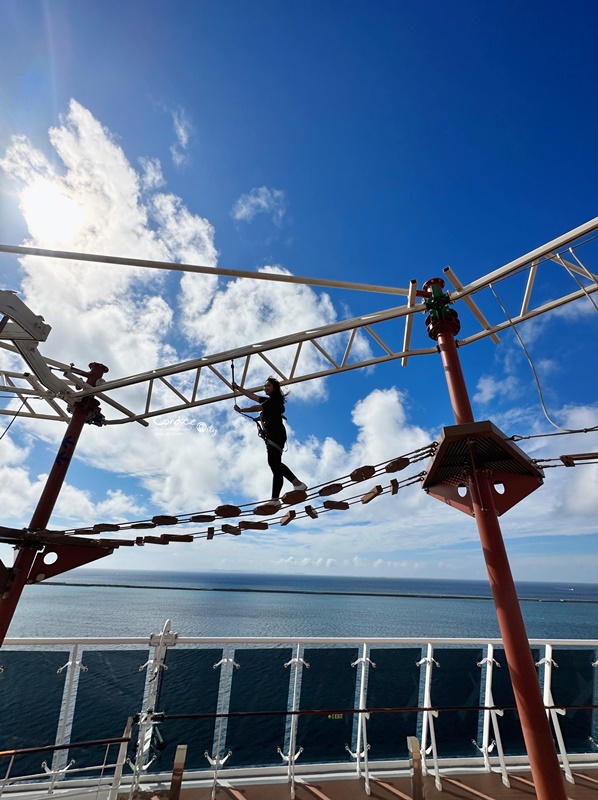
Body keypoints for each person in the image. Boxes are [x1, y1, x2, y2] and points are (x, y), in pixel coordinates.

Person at [233, 377, 307, 506]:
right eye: (264, 386)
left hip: (276, 434)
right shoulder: (269, 401)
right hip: (273, 435)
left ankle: (287, 490)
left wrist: (242, 410)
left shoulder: (274, 401)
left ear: (274, 388)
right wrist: (238, 388)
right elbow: (251, 395)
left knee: (274, 463)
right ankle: (288, 489)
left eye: (268, 386)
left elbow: (257, 407)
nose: (265, 388)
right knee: (275, 465)